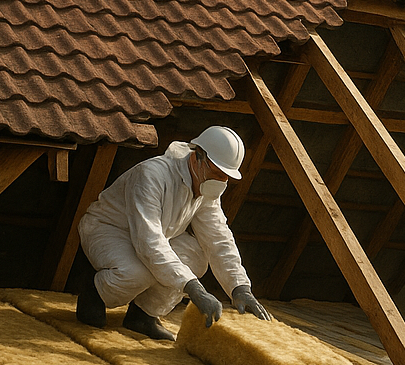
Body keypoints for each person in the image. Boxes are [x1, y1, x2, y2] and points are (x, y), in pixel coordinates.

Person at [75, 125, 270, 341]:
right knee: (138, 273)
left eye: (226, 177)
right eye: (217, 173)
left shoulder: (206, 189)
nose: (221, 182)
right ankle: (94, 294)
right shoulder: (151, 175)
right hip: (109, 230)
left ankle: (143, 316)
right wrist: (194, 288)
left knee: (195, 258)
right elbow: (148, 241)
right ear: (198, 157)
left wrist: (240, 287)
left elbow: (218, 237)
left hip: (153, 237)